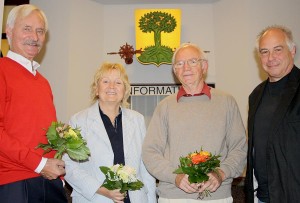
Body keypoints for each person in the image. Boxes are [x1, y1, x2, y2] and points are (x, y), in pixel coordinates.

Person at [142, 42, 247, 203]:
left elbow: (239, 149)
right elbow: (150, 152)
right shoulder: (164, 106)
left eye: (192, 61)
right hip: (173, 196)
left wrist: (221, 173)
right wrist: (175, 176)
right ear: (175, 70)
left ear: (204, 66)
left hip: (216, 196)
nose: (186, 68)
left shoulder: (226, 102)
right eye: (180, 64)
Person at [0, 4, 67, 203]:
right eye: (27, 28)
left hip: (49, 181)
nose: (35, 37)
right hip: (15, 183)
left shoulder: (43, 82)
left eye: (40, 31)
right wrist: (39, 164)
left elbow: (47, 136)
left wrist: (60, 178)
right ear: (9, 32)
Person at [63, 62, 157, 203]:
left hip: (134, 198)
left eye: (118, 82)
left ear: (125, 90)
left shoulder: (137, 120)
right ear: (96, 89)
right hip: (95, 197)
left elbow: (145, 166)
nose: (112, 87)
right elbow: (69, 165)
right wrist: (101, 189)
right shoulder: (79, 121)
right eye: (105, 81)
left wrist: (151, 200)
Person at [245, 25, 300, 203]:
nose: (271, 58)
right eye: (264, 51)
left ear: (292, 51)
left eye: (278, 49)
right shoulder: (255, 96)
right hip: (261, 197)